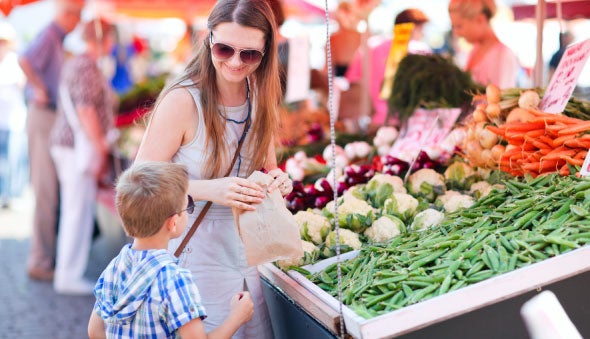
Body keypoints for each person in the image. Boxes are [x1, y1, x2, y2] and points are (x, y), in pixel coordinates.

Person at [134, 0, 292, 337]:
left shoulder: (260, 95)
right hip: (194, 257)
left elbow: (267, 167)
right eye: (224, 49)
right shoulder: (183, 100)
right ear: (208, 41)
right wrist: (209, 189)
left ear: (265, 53)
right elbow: (139, 177)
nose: (235, 62)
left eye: (249, 54)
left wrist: (277, 180)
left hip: (252, 256)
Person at [88, 161, 253, 338]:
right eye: (187, 206)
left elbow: (95, 331)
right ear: (173, 223)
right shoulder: (175, 280)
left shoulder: (114, 267)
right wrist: (236, 317)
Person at [49, 18, 117, 295]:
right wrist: (101, 148)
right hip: (77, 147)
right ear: (106, 39)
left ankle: (69, 272)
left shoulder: (78, 62)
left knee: (76, 210)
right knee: (77, 212)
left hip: (70, 145)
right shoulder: (87, 65)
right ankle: (68, 275)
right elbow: (86, 110)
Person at [18, 0, 84, 282]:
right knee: (46, 191)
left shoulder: (59, 37)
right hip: (43, 115)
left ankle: (48, 257)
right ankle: (40, 261)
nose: (80, 22)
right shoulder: (50, 33)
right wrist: (40, 88)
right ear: (68, 15)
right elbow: (24, 59)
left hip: (48, 117)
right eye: (78, 15)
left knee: (51, 191)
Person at [344, 8, 431, 127]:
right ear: (411, 28)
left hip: (374, 121)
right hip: (410, 123)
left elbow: (352, 81)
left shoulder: (370, 46)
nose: (422, 34)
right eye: (421, 29)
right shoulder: (420, 50)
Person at [448, 0, 519, 89]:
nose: (456, 33)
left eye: (459, 26)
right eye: (453, 27)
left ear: (480, 19)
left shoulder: (503, 55)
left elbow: (499, 99)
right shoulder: (474, 50)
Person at [0, 21, 28, 208]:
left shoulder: (14, 62)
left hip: (12, 120)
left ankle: (9, 194)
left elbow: (20, 83)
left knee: (11, 159)